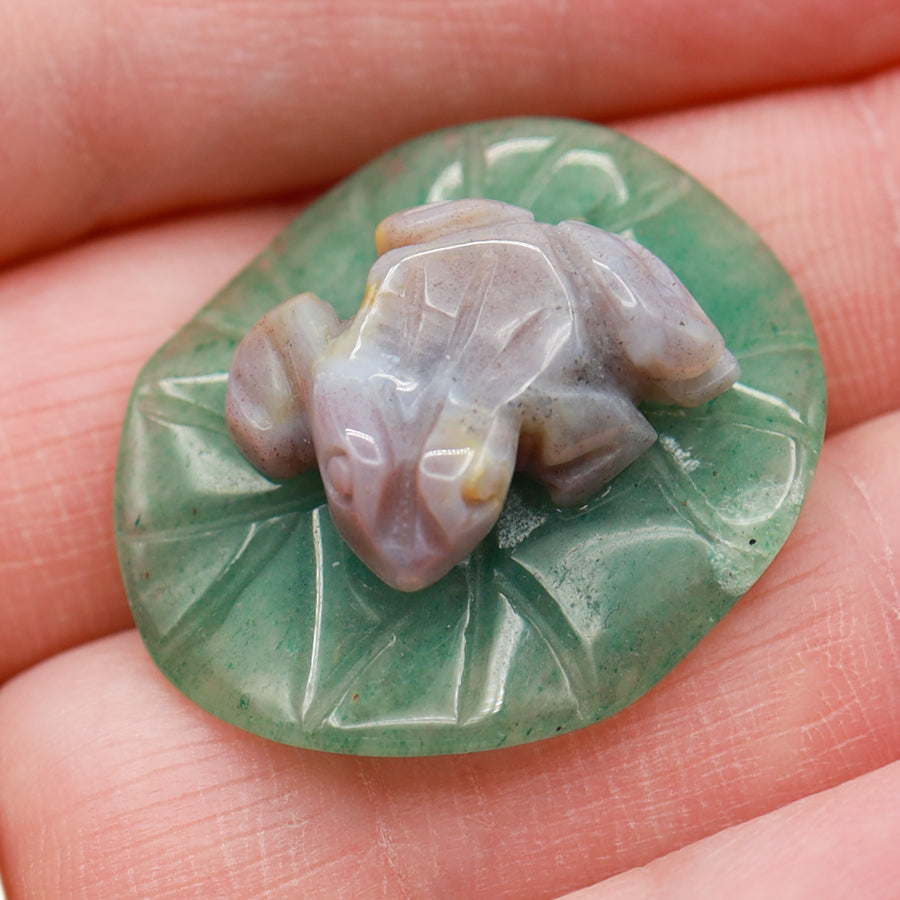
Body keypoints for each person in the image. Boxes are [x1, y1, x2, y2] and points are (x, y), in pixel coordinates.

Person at [0, 2, 898, 897]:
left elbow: (625, 435)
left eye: (471, 495)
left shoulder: (539, 410)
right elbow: (295, 327)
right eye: (346, 476)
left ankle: (665, 349)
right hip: (430, 275)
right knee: (401, 247)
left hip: (562, 277)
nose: (404, 559)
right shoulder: (332, 363)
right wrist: (283, 435)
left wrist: (586, 445)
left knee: (683, 366)